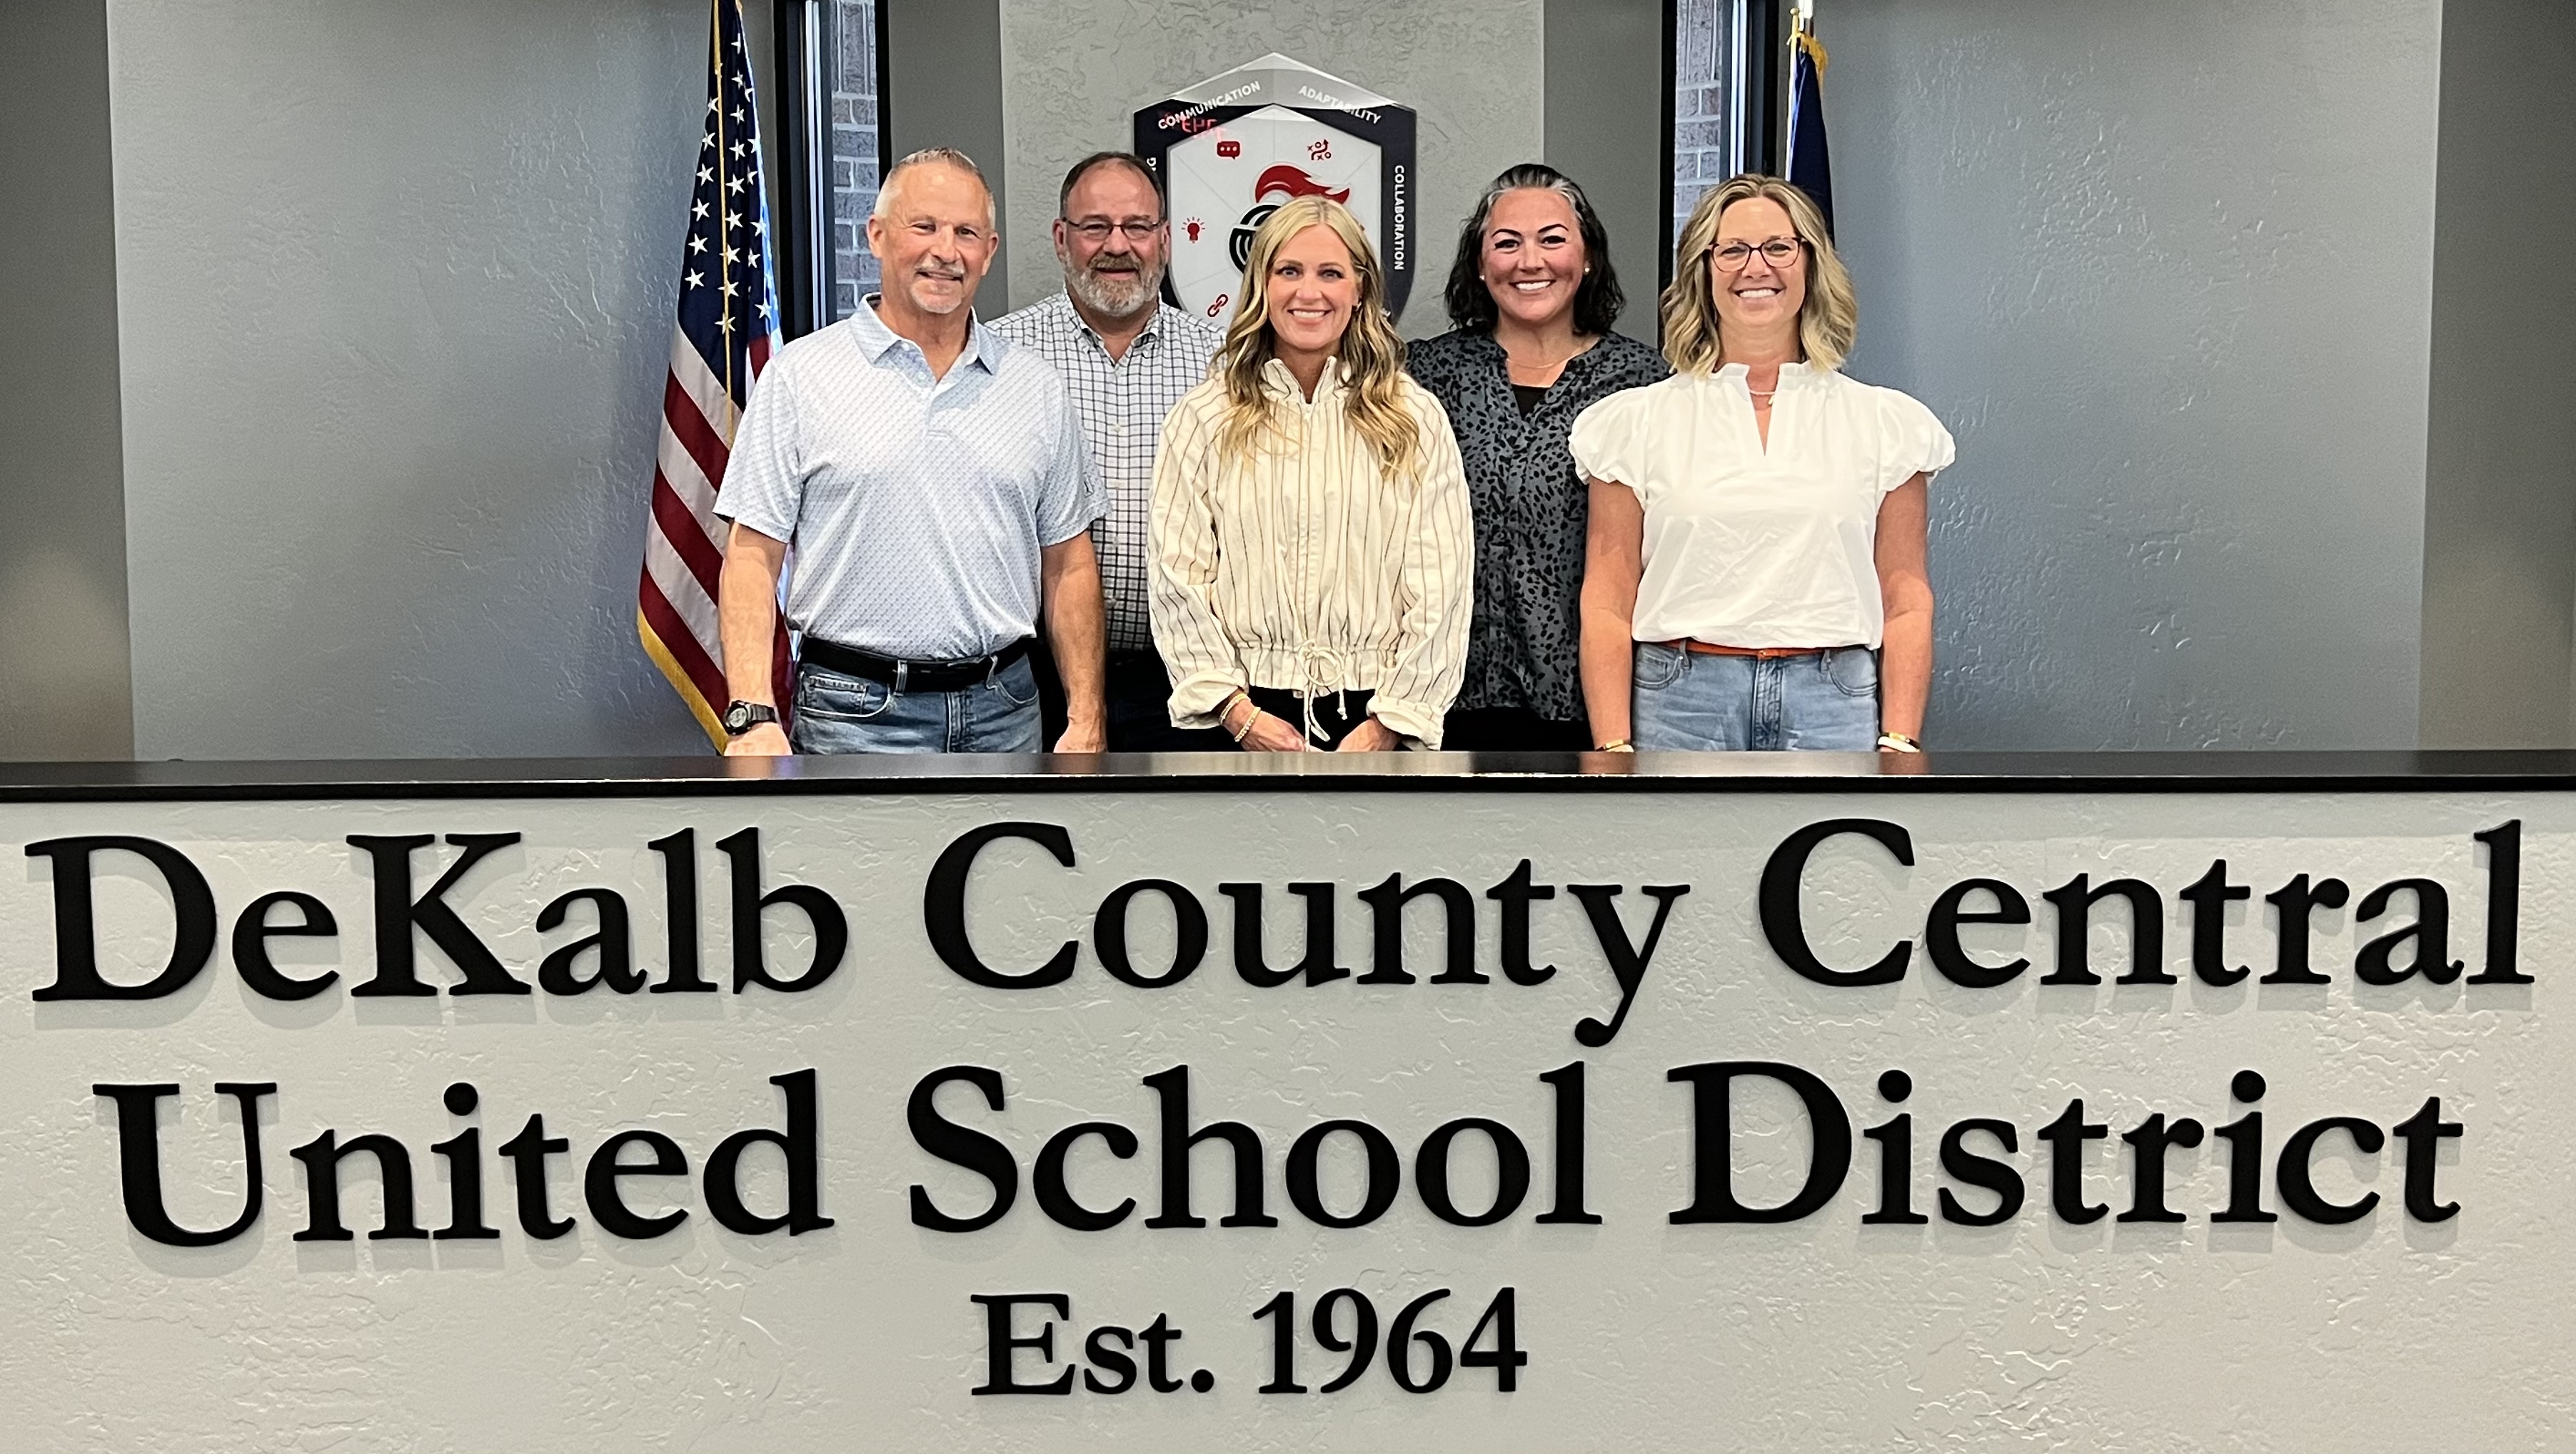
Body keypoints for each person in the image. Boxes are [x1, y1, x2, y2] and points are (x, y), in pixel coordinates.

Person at [713, 147, 1107, 755]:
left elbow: (1069, 563)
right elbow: (751, 555)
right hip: (853, 717)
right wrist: (751, 712)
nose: (945, 251)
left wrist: (1086, 714)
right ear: (876, 236)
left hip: (1006, 712)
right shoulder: (801, 377)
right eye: (923, 227)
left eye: (966, 233)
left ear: (990, 251)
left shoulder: (1033, 386)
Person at [1572, 174, 1951, 753]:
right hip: (1681, 703)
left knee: (1837, 848)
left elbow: (1905, 597)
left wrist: (1900, 739)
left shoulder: (1885, 424)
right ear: (1703, 268)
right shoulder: (1633, 424)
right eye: (1732, 250)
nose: (1757, 268)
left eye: (1779, 247)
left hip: (1833, 702)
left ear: (1811, 264)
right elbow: (1607, 595)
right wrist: (1612, 746)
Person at [1149, 196, 1471, 751]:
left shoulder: (1413, 417)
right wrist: (1237, 714)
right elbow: (1177, 576)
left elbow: (1443, 584)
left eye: (1331, 273)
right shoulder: (1204, 416)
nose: (1309, 292)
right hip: (1243, 712)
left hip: (1375, 713)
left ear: (1359, 289)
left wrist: (1391, 722)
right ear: (1261, 285)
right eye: (1289, 271)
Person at [1405, 164, 1669, 752]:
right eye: (1507, 242)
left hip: (1592, 709)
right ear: (1479, 262)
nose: (1531, 262)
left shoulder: (1645, 386)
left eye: (1552, 239)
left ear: (1588, 256)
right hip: (1440, 703)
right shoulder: (1424, 377)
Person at [992, 151, 1228, 751]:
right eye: (1095, 226)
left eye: (1138, 227)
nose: (1117, 245)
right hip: (1032, 684)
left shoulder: (1224, 361)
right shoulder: (998, 356)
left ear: (1166, 240)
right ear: (1060, 239)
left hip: (1189, 682)